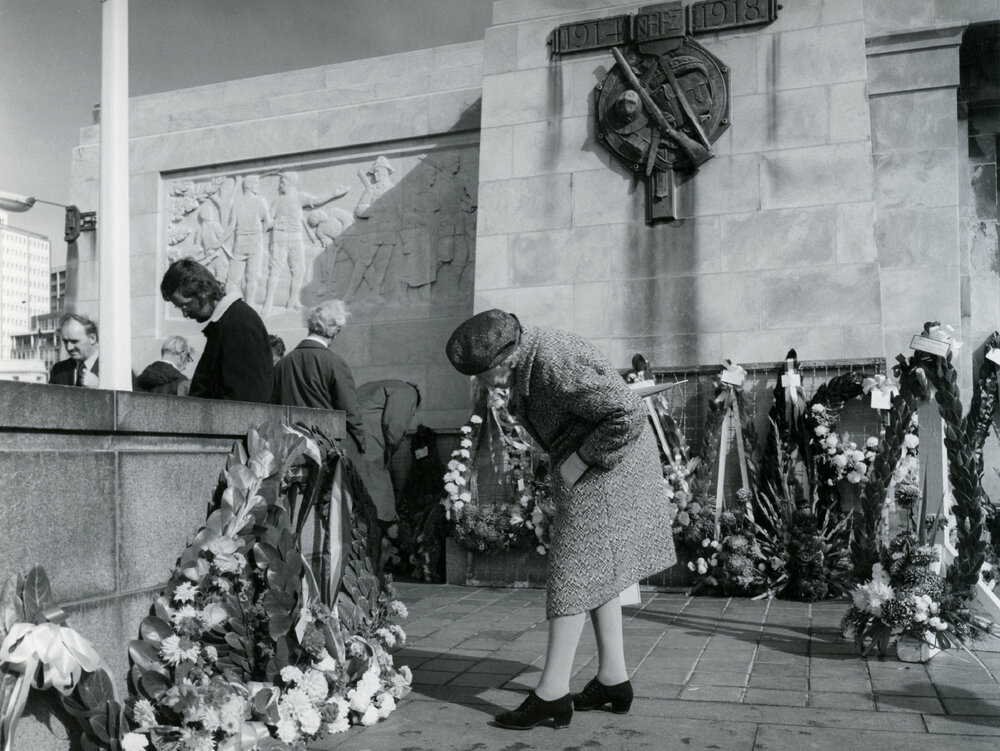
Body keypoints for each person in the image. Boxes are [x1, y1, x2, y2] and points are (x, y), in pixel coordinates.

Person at [445, 309, 676, 731]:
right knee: (597, 570)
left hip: (608, 468)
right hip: (592, 466)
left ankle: (552, 693)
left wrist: (580, 461)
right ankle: (613, 679)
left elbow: (628, 414)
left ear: (504, 357)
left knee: (570, 573)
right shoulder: (528, 361)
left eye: (482, 374)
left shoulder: (554, 359)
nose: (481, 383)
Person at [160, 258, 273, 402]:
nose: (185, 314)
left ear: (204, 292)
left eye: (186, 305)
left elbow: (245, 401)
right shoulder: (229, 322)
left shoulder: (238, 324)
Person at [272, 299, 366, 463]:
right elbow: (350, 412)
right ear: (334, 330)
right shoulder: (334, 363)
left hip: (289, 451)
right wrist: (361, 444)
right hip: (325, 451)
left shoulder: (282, 364)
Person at [262, 171, 350, 316]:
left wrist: (334, 194)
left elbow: (316, 201)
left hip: (295, 237)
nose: (280, 185)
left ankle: (293, 301)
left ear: (290, 183)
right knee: (275, 270)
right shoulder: (277, 201)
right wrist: (275, 223)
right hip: (280, 237)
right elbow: (268, 223)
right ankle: (268, 304)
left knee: (299, 269)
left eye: (283, 182)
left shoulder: (299, 197)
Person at [356, 380, 421, 521]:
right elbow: (395, 428)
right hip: (365, 431)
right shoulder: (409, 393)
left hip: (350, 428)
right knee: (377, 475)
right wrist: (389, 452)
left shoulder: (384, 386)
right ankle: (386, 524)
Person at [49, 313, 100, 388]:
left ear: (92, 338)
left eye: (74, 341)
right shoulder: (58, 370)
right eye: (65, 342)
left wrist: (100, 386)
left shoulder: (110, 367)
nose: (69, 348)